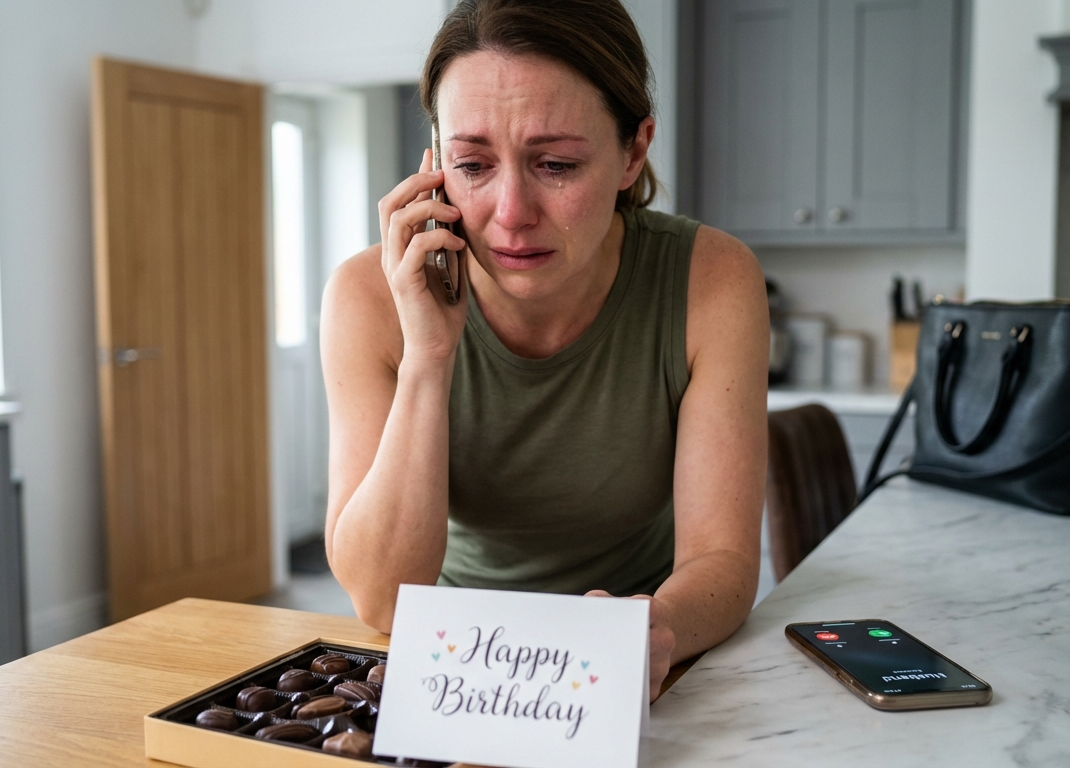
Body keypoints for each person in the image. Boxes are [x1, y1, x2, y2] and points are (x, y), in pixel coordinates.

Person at [320, 0, 768, 701]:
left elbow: (723, 558)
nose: (511, 212)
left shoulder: (713, 279)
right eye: (472, 164)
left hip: (639, 655)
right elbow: (381, 602)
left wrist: (656, 629)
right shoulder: (366, 296)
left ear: (633, 151)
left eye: (556, 164)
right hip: (459, 666)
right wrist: (428, 358)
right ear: (434, 164)